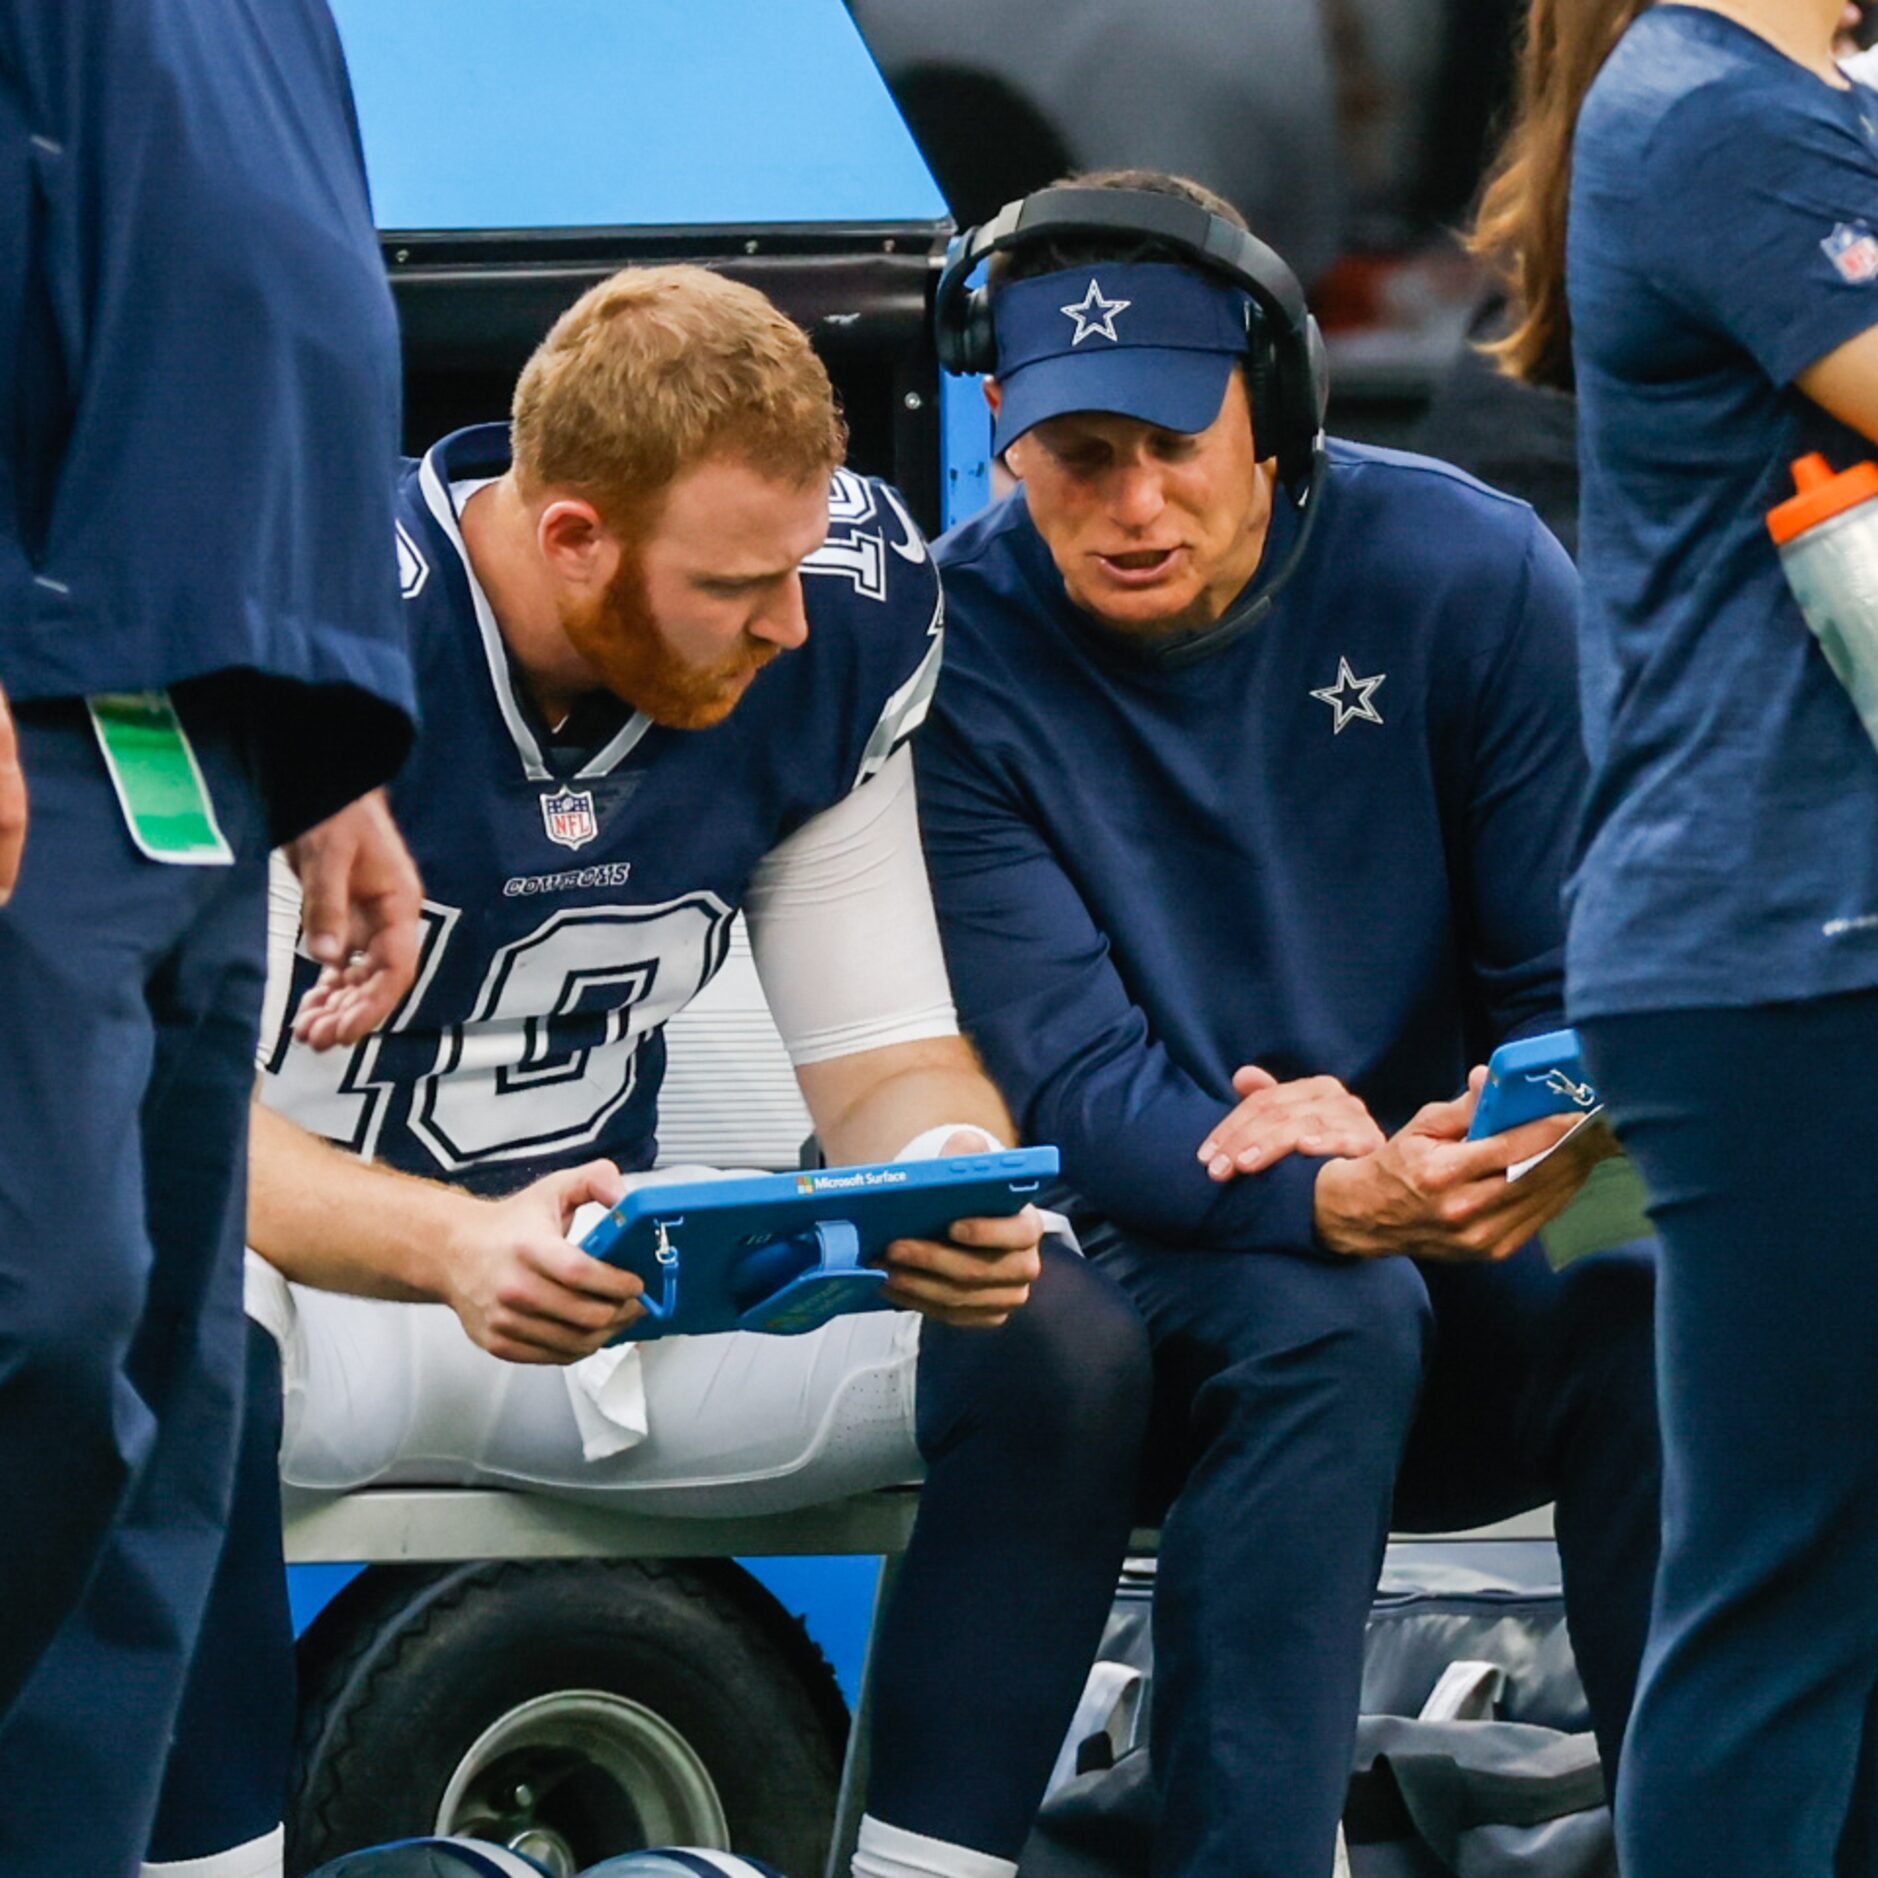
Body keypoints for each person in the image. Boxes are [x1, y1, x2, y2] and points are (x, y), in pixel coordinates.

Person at [149, 264, 1151, 1878]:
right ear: (569, 538)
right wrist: (452, 1245)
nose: (789, 618)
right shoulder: (303, 619)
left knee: (1057, 1342)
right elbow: (161, 1128)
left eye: (796, 562)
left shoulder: (821, 634)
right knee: (158, 1329)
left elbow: (879, 1043)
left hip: (604, 1287)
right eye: (736, 581)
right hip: (312, 1302)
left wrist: (942, 1170)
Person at [915, 171, 1662, 1878]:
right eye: (1077, 456)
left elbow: (1580, 996)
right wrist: (1322, 1193)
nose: (1130, 501)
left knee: (1660, 1298)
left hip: (1470, 1211)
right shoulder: (955, 656)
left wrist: (1479, 1148)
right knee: (1322, 1315)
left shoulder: (1468, 571)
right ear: (1004, 441)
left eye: (1173, 440)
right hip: (1156, 1263)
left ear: (1275, 415)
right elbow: (1075, 1082)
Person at [0, 5, 422, 1874]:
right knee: (41, 1314)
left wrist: (327, 741)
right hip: (34, 689)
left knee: (174, 1391)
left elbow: (275, 295)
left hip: (211, 718)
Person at [1471, 2, 1878, 1871]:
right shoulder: (1717, 110)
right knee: (1783, 1587)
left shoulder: (1785, 97)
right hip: (1785, 951)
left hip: (1792, 944)